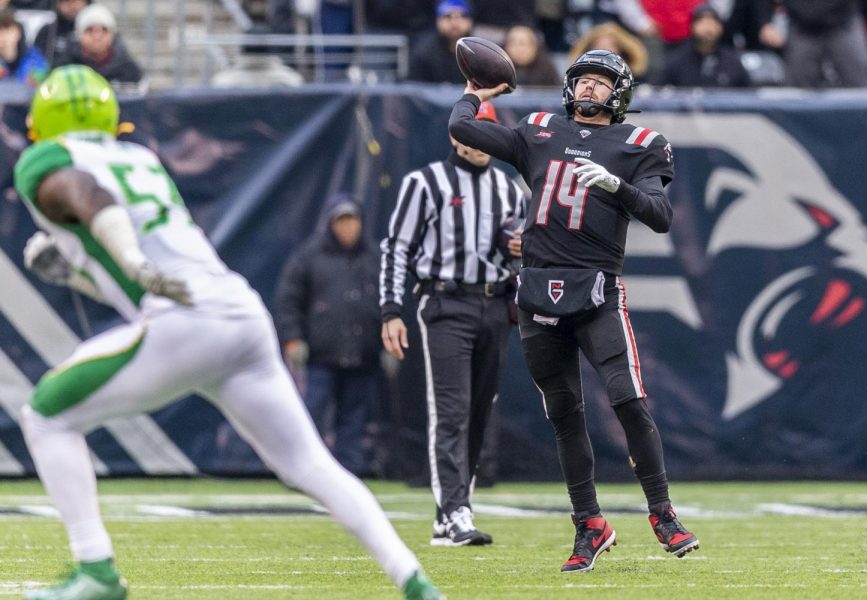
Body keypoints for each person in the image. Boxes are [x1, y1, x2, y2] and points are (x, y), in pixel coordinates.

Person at [13, 65, 443, 600]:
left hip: (183, 323)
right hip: (240, 315)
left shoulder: (47, 159)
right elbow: (145, 266)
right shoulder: (141, 158)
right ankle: (416, 581)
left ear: (42, 122)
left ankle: (96, 571)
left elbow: (91, 198)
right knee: (310, 463)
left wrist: (121, 259)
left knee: (47, 416)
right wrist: (80, 271)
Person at [447, 49, 700, 572]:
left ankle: (663, 513)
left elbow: (660, 216)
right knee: (563, 413)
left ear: (619, 93)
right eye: (582, 80)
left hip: (597, 289)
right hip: (537, 289)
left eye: (600, 83)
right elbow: (463, 127)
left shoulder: (639, 144)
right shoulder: (537, 129)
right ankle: (590, 524)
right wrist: (479, 90)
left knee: (626, 398)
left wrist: (616, 185)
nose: (589, 89)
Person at [380, 100, 526, 546]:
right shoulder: (425, 183)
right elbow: (397, 248)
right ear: (455, 136)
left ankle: (456, 510)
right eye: (472, 132)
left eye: (487, 133)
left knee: (481, 410)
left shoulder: (511, 189)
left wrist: (519, 253)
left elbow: (526, 251)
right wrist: (391, 310)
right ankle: (453, 510)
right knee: (452, 409)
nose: (479, 143)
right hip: (446, 303)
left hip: (495, 304)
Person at [274, 196, 381, 476]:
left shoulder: (374, 257)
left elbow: (389, 303)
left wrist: (386, 344)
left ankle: (348, 473)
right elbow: (289, 301)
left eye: (352, 220)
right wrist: (293, 338)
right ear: (330, 224)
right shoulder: (309, 256)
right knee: (311, 412)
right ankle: (302, 469)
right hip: (321, 354)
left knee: (354, 417)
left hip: (362, 353)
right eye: (341, 221)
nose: (348, 228)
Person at [757, 0, 867, 87]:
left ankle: (865, 133)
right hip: (801, 25)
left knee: (858, 85)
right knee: (797, 91)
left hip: (844, 22)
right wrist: (765, 22)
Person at [654, 4, 751, 87]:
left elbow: (749, 94)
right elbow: (656, 91)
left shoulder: (733, 61)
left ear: (721, 28)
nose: (708, 28)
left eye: (713, 23)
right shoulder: (676, 61)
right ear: (692, 26)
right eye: (703, 22)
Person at [52, 3, 143, 88]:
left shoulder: (129, 71)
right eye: (90, 29)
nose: (97, 36)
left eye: (104, 29)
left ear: (112, 35)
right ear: (79, 35)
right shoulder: (63, 68)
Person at [407, 0, 473, 84]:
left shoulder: (480, 53)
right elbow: (415, 88)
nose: (455, 22)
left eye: (463, 16)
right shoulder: (423, 52)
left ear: (470, 21)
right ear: (437, 20)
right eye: (448, 16)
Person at [567, 21, 650, 79]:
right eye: (599, 46)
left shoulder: (633, 76)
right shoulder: (579, 77)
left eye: (610, 46)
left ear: (620, 49)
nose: (604, 51)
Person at [0, 8, 47, 85]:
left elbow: (41, 83)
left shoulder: (34, 59)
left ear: (18, 32)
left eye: (7, 29)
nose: (2, 36)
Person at [34, 0, 89, 65]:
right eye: (66, 1)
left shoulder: (94, 29)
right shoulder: (47, 32)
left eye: (76, 1)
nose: (72, 5)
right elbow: (35, 61)